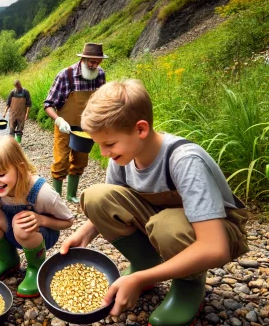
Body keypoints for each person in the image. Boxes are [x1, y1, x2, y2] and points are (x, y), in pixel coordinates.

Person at [59, 79, 249, 325]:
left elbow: (215, 247)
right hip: (163, 223)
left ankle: (189, 285)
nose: (104, 153)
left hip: (216, 232)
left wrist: (137, 280)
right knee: (95, 196)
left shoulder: (184, 160)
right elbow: (113, 202)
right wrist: (86, 232)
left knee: (166, 225)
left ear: (140, 129)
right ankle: (145, 264)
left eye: (109, 144)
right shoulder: (123, 156)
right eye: (99, 145)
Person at [0, 135, 74, 297]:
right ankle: (8, 261)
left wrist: (41, 220)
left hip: (42, 235)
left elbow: (68, 221)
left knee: (20, 222)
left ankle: (36, 268)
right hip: (13, 231)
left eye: (1, 174)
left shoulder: (42, 192)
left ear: (20, 168)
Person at [44, 42, 107, 203]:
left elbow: (102, 101)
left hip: (86, 127)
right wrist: (58, 120)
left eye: (98, 62)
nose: (95, 66)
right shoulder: (66, 75)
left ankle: (71, 195)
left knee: (80, 161)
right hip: (64, 125)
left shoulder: (100, 75)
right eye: (91, 62)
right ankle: (56, 197)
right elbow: (48, 104)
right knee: (61, 161)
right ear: (84, 59)